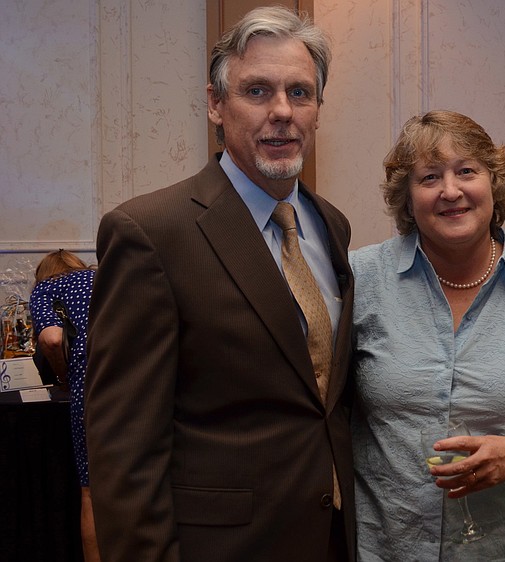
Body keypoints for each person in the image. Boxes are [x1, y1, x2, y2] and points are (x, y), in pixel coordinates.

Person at [84, 7, 355, 562]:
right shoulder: (151, 233)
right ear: (215, 105)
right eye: (257, 91)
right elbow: (125, 451)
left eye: (300, 93)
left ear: (319, 112)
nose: (282, 112)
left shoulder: (331, 225)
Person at [349, 110, 505, 561]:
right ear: (408, 198)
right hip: (386, 546)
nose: (451, 191)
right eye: (429, 177)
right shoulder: (361, 278)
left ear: (493, 185)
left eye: (466, 171)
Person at [29, 250, 99, 562]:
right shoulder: (104, 276)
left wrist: (64, 374)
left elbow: (53, 339)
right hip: (135, 385)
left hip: (88, 391)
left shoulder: (46, 288)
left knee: (91, 492)